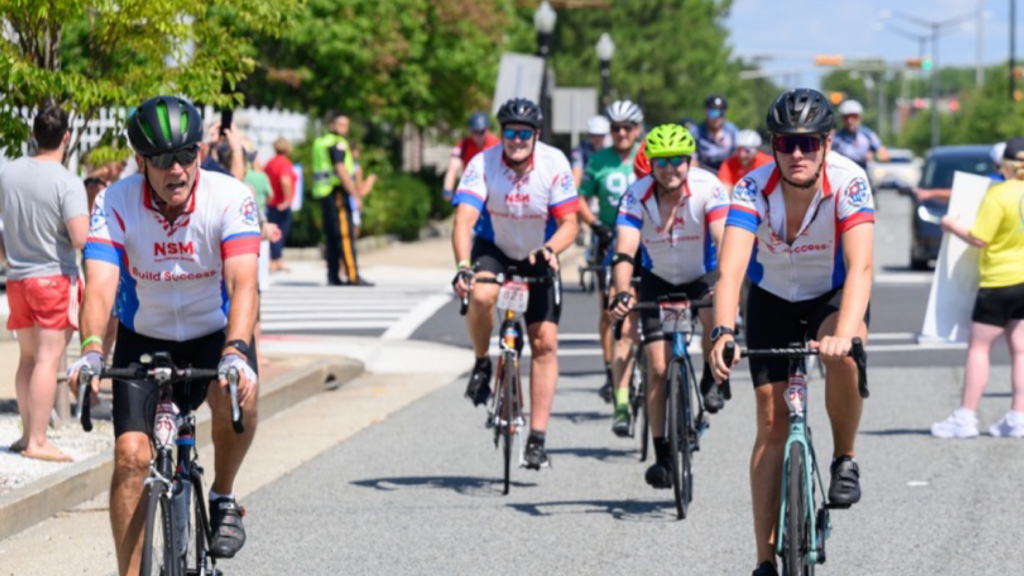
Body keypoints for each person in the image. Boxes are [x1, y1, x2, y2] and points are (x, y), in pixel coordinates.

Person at [68, 95, 261, 575]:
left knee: (238, 393)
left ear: (200, 152)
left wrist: (236, 351)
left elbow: (244, 283)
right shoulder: (115, 201)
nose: (176, 169)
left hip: (214, 333)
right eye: (160, 159)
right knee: (131, 457)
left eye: (187, 154)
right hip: (144, 338)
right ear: (140, 162)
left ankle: (223, 495)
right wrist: (92, 349)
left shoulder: (230, 196)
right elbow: (99, 287)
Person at [708, 89, 874, 576]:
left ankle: (845, 457)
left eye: (807, 143)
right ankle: (764, 557)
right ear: (773, 145)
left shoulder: (850, 182)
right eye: (785, 143)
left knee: (843, 354)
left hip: (830, 294)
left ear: (826, 143)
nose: (796, 154)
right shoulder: (750, 188)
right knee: (771, 422)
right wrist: (721, 330)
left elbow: (861, 268)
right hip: (773, 299)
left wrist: (844, 335)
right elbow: (732, 271)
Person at [451, 98, 579, 470]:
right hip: (495, 247)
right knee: (481, 292)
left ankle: (537, 437)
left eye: (524, 134)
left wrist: (552, 249)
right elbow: (464, 220)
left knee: (545, 343)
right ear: (502, 134)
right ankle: (481, 363)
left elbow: (570, 222)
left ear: (536, 135)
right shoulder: (483, 163)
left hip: (540, 250)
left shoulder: (555, 164)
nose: (517, 140)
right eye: (510, 132)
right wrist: (463, 266)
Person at [608, 124, 730, 487]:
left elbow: (724, 243)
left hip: (701, 275)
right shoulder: (635, 195)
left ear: (689, 161)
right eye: (661, 161)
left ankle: (710, 378)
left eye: (677, 160)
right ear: (651, 164)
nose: (670, 168)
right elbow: (625, 250)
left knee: (714, 320)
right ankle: (662, 455)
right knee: (658, 367)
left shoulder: (708, 188)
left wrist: (728, 287)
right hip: (657, 279)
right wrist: (622, 292)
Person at [0, 104, 88, 462]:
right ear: (66, 138)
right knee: (49, 360)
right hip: (53, 278)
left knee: (27, 358)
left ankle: (26, 434)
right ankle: (38, 440)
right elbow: (80, 237)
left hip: (17, 277)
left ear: (33, 135)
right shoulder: (67, 182)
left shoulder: (8, 172)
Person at [931, 137, 1024, 439]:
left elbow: (980, 237)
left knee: (979, 349)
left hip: (998, 280)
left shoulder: (999, 194)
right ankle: (1018, 416)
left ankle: (965, 418)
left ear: (1006, 166)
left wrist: (950, 224)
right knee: (1021, 351)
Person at [577, 100, 643, 421]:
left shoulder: (647, 155)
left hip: (646, 238)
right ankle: (610, 369)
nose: (620, 133)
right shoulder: (599, 160)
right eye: (615, 128)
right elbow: (580, 199)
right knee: (610, 307)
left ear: (637, 130)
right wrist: (595, 225)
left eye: (626, 127)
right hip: (610, 238)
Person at [312, 113, 370, 286]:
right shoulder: (337, 144)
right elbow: (341, 170)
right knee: (345, 234)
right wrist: (355, 195)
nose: (344, 128)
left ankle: (333, 275)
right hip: (337, 191)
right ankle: (352, 274)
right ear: (332, 125)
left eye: (346, 124)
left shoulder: (320, 142)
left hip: (324, 192)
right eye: (341, 124)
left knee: (331, 236)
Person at [442, 111, 499, 202]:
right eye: (475, 132)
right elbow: (453, 165)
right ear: (470, 130)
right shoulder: (464, 144)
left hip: (491, 187)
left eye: (481, 132)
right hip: (472, 185)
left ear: (488, 129)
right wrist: (447, 190)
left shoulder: (496, 144)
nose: (478, 136)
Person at [264, 137, 296, 272]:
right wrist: (288, 200)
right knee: (280, 232)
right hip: (281, 203)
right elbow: (285, 181)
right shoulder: (284, 162)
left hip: (271, 203)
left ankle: (275, 259)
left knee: (273, 232)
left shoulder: (270, 162)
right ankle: (276, 260)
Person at [832, 100, 889, 172]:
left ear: (860, 117)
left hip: (864, 175)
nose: (850, 120)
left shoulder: (868, 134)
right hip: (843, 175)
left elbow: (884, 155)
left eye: (853, 116)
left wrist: (874, 156)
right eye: (846, 117)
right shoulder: (836, 138)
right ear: (842, 118)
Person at [695, 94, 739, 172]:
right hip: (704, 173)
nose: (716, 117)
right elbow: (691, 159)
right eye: (712, 113)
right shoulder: (696, 132)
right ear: (705, 112)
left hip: (728, 173)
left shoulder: (733, 132)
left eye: (720, 113)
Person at [572, 115, 611, 187]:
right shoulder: (580, 151)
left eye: (601, 135)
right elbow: (576, 175)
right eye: (593, 135)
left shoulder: (612, 150)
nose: (597, 139)